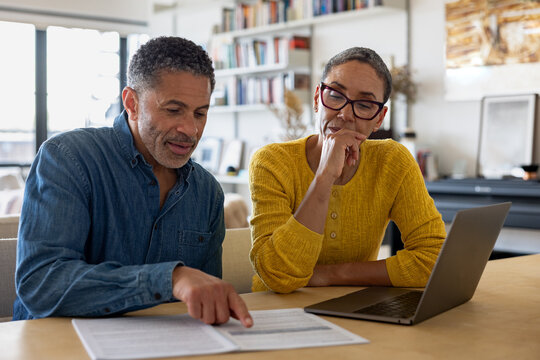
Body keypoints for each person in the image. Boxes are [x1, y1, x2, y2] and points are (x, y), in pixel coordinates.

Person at [14, 36, 252, 327]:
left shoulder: (207, 192)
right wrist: (170, 278)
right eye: (173, 110)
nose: (190, 130)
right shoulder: (67, 159)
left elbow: (205, 298)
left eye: (200, 113)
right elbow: (41, 285)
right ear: (132, 103)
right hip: (59, 345)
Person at [248, 47, 446, 293]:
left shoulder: (392, 161)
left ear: (379, 118)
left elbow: (436, 260)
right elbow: (277, 275)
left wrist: (333, 274)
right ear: (317, 98)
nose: (344, 114)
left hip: (352, 308)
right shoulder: (272, 161)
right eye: (335, 95)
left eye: (363, 105)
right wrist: (324, 176)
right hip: (274, 312)